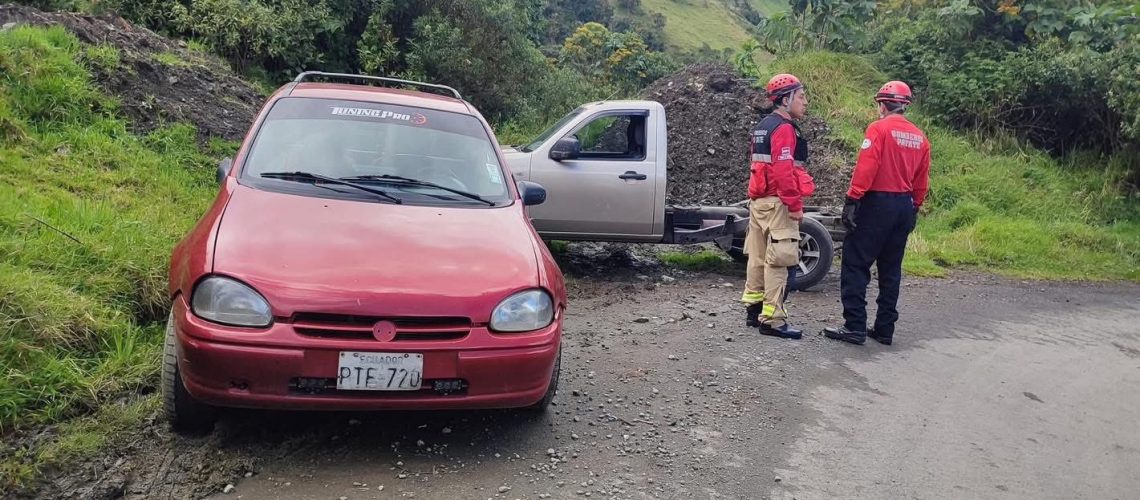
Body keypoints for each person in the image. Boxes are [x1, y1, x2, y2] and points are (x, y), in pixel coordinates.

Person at [824, 80, 931, 346]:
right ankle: (884, 329)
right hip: (904, 206)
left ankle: (855, 326)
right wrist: (914, 206)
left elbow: (867, 167)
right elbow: (922, 180)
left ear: (882, 104)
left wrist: (852, 199)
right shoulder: (920, 137)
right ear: (904, 106)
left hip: (877, 203)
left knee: (855, 263)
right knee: (891, 268)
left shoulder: (879, 129)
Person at [741, 73, 815, 339]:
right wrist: (794, 205)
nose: (805, 102)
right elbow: (784, 172)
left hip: (758, 202)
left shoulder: (763, 125)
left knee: (757, 258)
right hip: (777, 204)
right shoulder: (784, 128)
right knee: (779, 261)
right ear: (786, 100)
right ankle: (772, 320)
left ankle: (753, 309)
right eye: (801, 96)